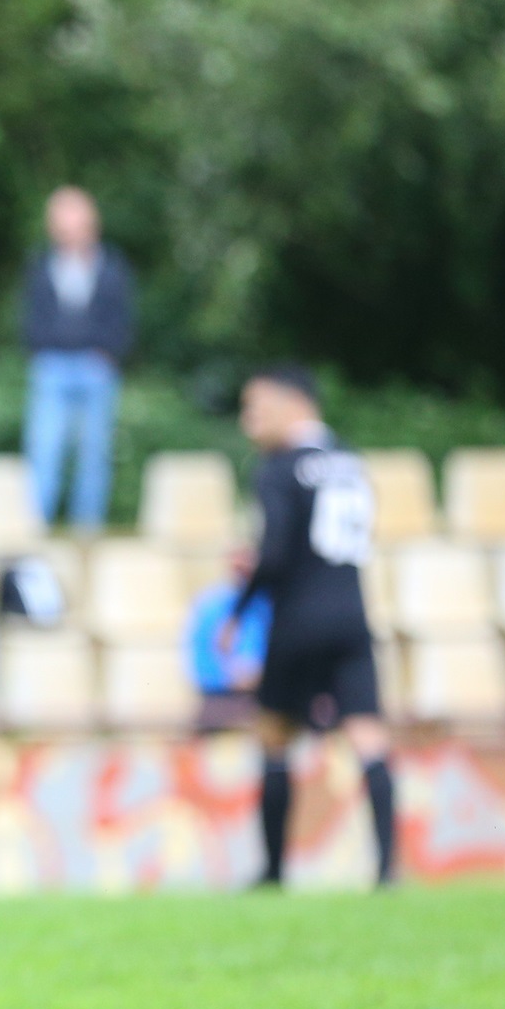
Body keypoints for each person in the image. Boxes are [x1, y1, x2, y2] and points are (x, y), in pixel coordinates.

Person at [217, 364, 395, 887]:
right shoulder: (350, 462)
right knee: (368, 737)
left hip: (298, 619)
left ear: (294, 404)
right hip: (353, 614)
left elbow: (273, 556)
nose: (249, 421)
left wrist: (238, 610)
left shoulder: (279, 467)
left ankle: (273, 871)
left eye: (257, 407)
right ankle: (388, 871)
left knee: (273, 737)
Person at [20, 187, 135, 530]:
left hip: (96, 368)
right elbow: (30, 317)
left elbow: (123, 318)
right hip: (52, 366)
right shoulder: (41, 265)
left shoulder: (112, 267)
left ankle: (87, 528)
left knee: (94, 453)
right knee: (44, 450)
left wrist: (109, 353)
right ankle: (35, 525)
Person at [185, 546, 270, 732]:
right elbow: (198, 655)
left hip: (263, 696)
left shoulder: (268, 603)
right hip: (220, 696)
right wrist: (228, 678)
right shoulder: (210, 605)